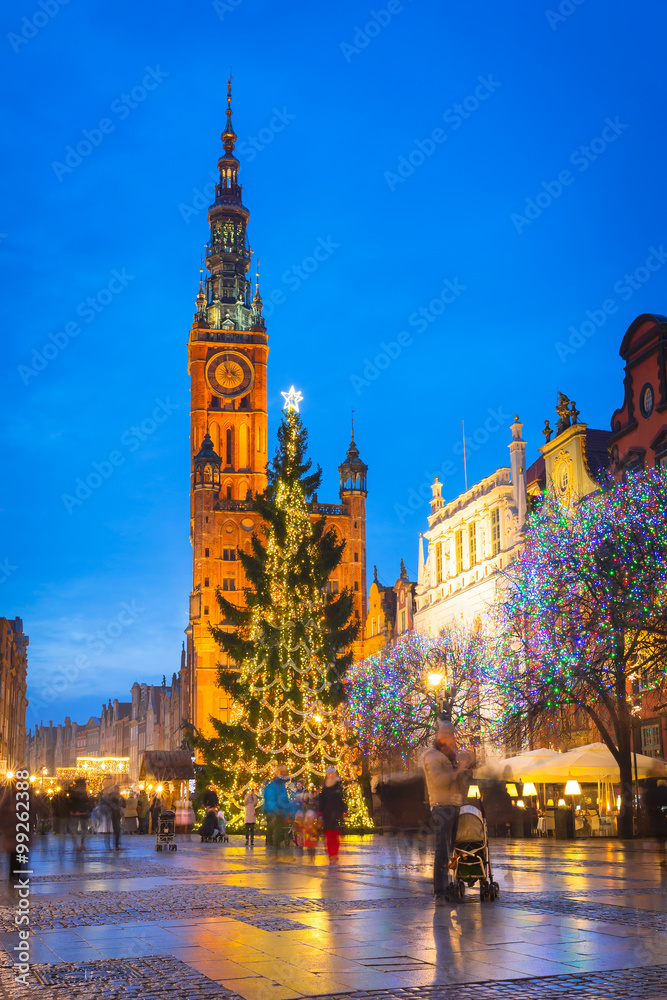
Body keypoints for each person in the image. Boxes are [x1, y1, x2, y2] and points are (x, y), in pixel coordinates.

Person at [423, 720, 474, 906]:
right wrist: (457, 771)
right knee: (442, 850)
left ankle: (450, 887)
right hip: (441, 806)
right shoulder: (432, 756)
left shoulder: (448, 756)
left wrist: (463, 771)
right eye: (451, 737)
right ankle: (440, 892)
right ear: (442, 737)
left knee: (454, 849)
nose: (454, 741)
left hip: (454, 804)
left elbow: (456, 778)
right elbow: (438, 781)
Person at [319, 767, 346, 863]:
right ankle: (331, 854)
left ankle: (335, 853)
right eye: (329, 773)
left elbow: (342, 800)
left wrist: (343, 810)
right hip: (327, 815)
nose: (331, 775)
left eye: (332, 773)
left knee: (336, 836)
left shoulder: (338, 787)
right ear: (327, 775)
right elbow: (321, 801)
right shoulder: (325, 789)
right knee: (329, 836)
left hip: (337, 814)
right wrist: (320, 813)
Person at [263, 764, 292, 856]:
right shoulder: (276, 784)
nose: (285, 774)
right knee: (277, 831)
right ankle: (275, 853)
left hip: (280, 811)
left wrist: (288, 811)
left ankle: (275, 852)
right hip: (276, 811)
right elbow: (272, 798)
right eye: (283, 772)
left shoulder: (280, 784)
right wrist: (273, 811)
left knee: (279, 831)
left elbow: (284, 798)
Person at [68, 778, 91, 852]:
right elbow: (71, 802)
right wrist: (75, 811)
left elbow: (86, 802)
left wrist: (86, 810)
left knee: (83, 829)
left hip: (81, 812)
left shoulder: (83, 792)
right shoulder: (74, 791)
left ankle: (80, 844)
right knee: (75, 829)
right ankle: (76, 845)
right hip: (77, 813)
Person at [101, 783, 124, 850]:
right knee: (116, 830)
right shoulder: (115, 796)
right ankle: (115, 845)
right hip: (114, 814)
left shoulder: (112, 796)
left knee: (111, 830)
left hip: (112, 814)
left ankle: (110, 845)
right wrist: (117, 807)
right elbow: (118, 805)